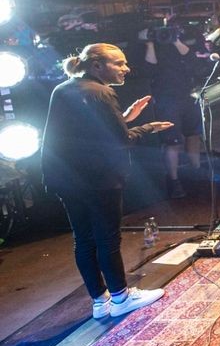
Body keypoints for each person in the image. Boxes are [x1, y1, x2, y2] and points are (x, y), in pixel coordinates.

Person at [41, 43, 173, 319]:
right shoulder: (101, 92)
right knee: (107, 238)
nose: (126, 68)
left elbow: (89, 133)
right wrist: (149, 126)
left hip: (66, 179)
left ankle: (100, 302)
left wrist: (124, 117)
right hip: (98, 180)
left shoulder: (64, 88)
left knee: (84, 240)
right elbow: (120, 141)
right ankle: (121, 297)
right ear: (98, 65)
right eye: (119, 63)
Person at [145, 32, 203, 198]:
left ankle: (196, 172)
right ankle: (174, 181)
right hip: (166, 100)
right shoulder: (152, 47)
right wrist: (150, 43)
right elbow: (150, 68)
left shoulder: (178, 44)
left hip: (187, 95)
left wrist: (174, 39)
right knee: (173, 141)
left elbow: (191, 57)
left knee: (194, 135)